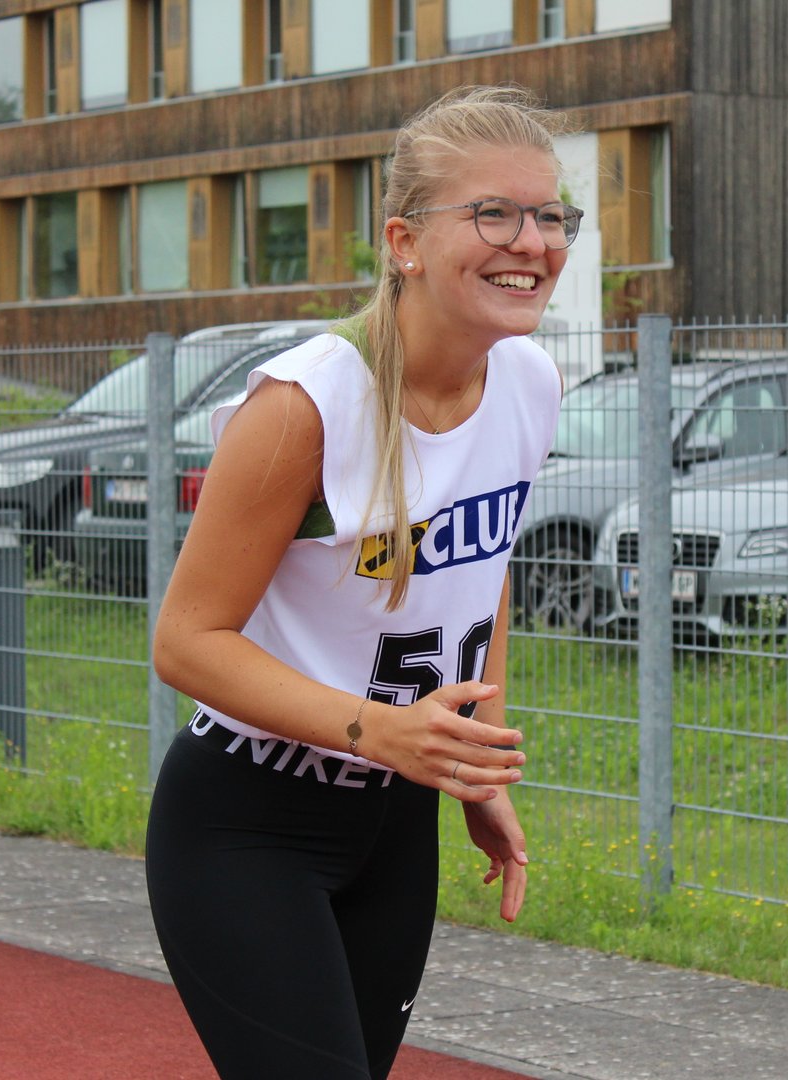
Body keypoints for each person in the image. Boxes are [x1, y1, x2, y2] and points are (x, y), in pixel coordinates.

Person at [144, 85, 582, 1080]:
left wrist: (473, 767)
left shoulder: (531, 381)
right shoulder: (306, 406)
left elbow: (483, 573)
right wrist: (378, 730)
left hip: (395, 822)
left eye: (550, 215)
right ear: (404, 241)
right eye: (494, 213)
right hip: (247, 823)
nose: (532, 242)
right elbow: (185, 643)